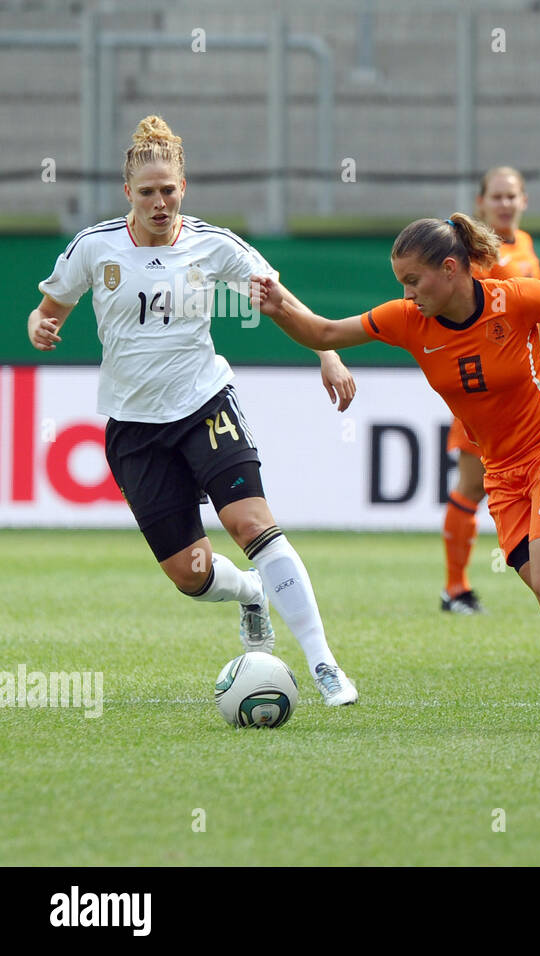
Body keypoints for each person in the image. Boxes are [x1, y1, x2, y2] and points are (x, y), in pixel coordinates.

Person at [251, 214, 540, 729]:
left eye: (413, 280)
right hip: (502, 473)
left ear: (451, 269)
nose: (407, 294)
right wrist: (280, 308)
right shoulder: (407, 320)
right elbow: (324, 330)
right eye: (400, 283)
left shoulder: (512, 299)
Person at [27, 115, 358, 706]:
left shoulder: (214, 245)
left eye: (169, 190)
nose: (160, 202)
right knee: (191, 574)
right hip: (134, 429)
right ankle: (252, 592)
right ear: (128, 192)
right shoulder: (92, 247)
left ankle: (323, 663)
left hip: (205, 404)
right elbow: (50, 307)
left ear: (184, 187)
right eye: (147, 192)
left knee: (252, 524)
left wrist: (326, 353)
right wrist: (41, 326)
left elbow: (277, 301)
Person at [440, 166, 540, 615]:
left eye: (511, 196)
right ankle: (455, 589)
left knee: (513, 483)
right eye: (496, 197)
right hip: (482, 388)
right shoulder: (473, 255)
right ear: (480, 203)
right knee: (471, 487)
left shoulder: (525, 245)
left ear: (525, 201)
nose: (504, 204)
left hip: (520, 388)